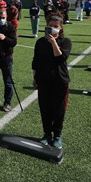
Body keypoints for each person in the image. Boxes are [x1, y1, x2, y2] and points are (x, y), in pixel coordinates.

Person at [32, 14, 71, 149]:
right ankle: (47, 134)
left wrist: (54, 42)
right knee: (45, 108)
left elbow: (60, 58)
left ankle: (57, 136)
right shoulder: (40, 42)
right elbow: (35, 62)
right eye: (50, 26)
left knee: (59, 110)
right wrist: (35, 77)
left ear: (60, 29)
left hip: (60, 81)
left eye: (55, 27)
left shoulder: (66, 42)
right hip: (43, 80)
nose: (52, 28)